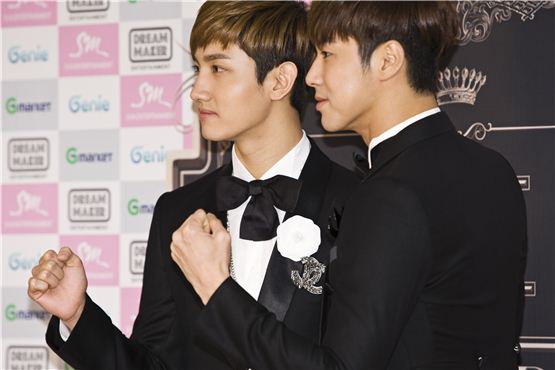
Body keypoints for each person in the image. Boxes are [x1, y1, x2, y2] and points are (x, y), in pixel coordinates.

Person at [175, 2, 528, 369]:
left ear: (387, 61)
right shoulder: (493, 169)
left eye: (327, 54)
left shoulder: (390, 194)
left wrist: (215, 287)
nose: (311, 76)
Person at [27, 2, 358, 369]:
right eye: (198, 68)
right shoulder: (177, 211)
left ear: (279, 81)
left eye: (218, 68)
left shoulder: (357, 202)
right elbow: (151, 363)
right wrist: (78, 314)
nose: (197, 90)